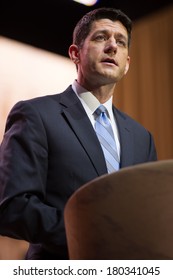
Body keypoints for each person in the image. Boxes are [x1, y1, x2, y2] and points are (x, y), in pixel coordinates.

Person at [0, 7, 157, 260]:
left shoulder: (142, 137)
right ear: (75, 53)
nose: (112, 47)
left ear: (127, 64)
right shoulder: (35, 115)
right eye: (100, 37)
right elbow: (13, 207)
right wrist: (90, 235)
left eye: (121, 42)